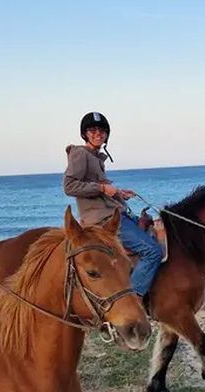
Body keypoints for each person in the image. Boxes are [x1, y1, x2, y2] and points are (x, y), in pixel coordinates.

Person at [63, 112, 162, 303]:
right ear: (85, 134)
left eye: (101, 131)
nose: (98, 133)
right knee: (153, 251)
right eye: (92, 130)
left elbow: (98, 191)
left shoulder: (95, 157)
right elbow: (69, 186)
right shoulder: (80, 153)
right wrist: (102, 187)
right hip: (103, 221)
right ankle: (132, 301)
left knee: (154, 233)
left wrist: (118, 193)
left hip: (114, 214)